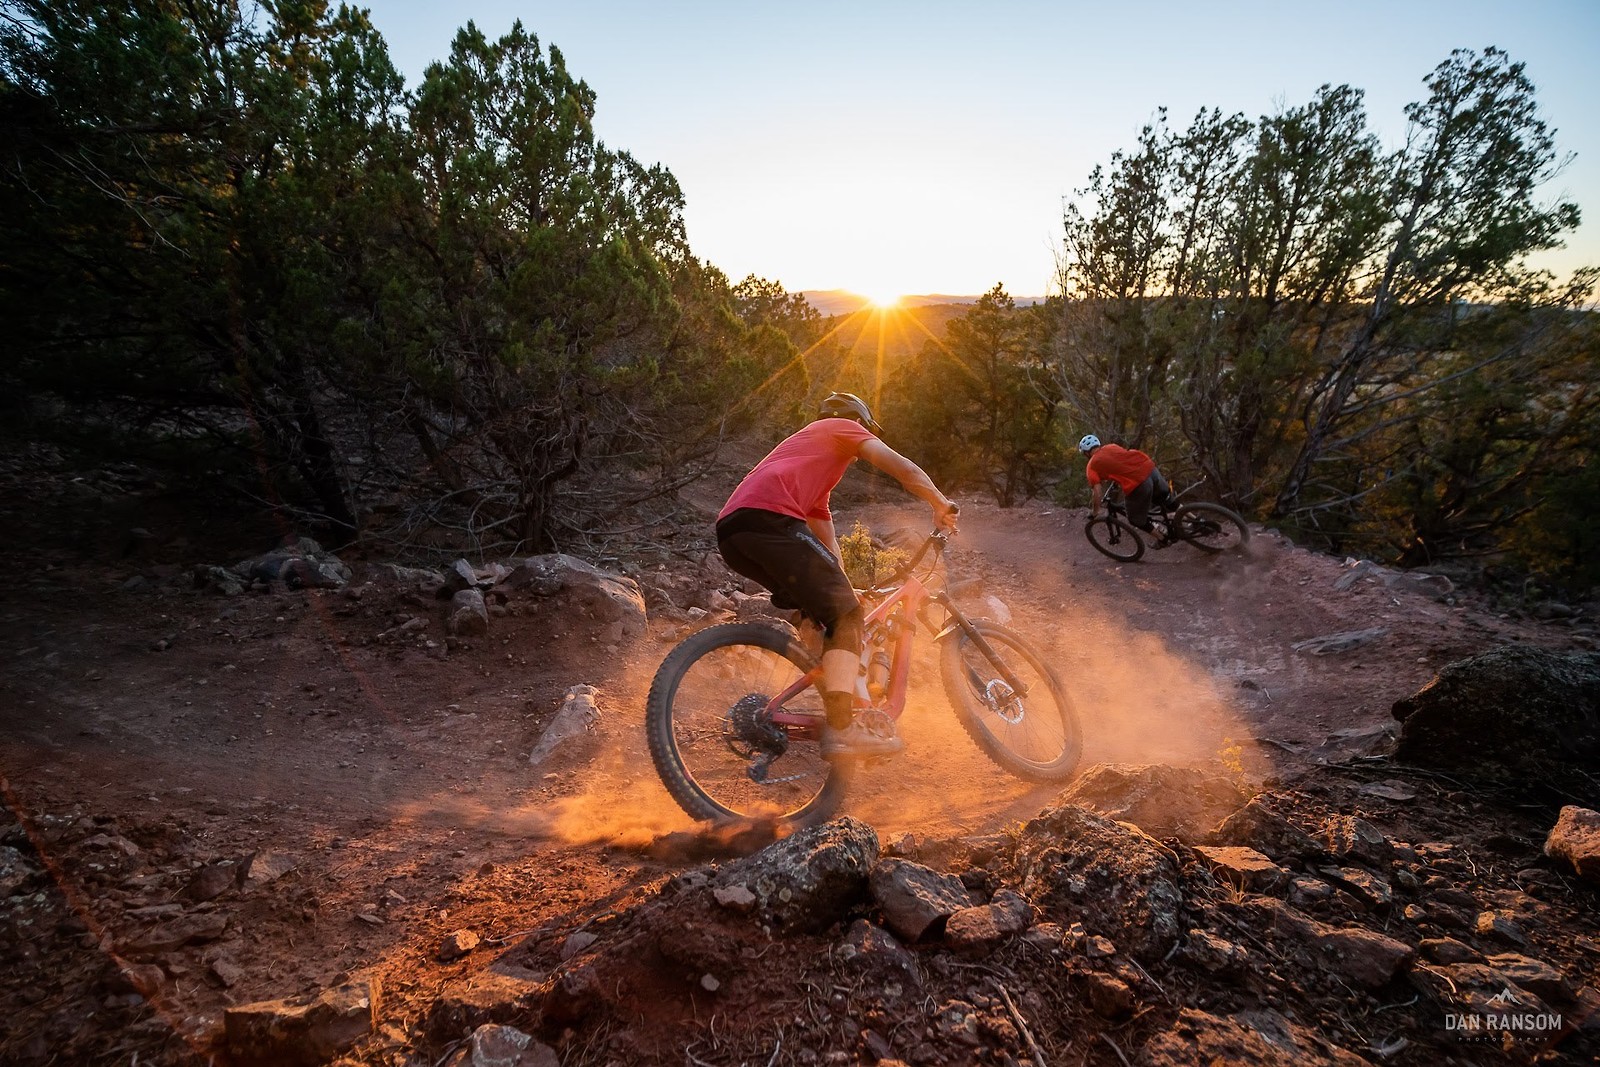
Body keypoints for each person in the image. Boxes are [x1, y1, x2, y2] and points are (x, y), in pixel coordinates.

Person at [716, 393, 959, 759]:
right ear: (859, 423)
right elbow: (903, 469)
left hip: (734, 533)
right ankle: (843, 727)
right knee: (846, 616)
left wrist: (844, 588)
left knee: (830, 614)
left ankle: (831, 688)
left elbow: (826, 544)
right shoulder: (840, 427)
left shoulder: (809, 468)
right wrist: (940, 502)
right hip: (769, 521)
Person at [1078, 434, 1174, 534]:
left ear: (1086, 453)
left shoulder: (1091, 466)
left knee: (1135, 519)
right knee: (1169, 501)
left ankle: (1163, 539)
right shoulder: (1112, 446)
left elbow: (1097, 492)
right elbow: (1123, 463)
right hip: (1150, 469)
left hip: (1139, 483)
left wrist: (1095, 512)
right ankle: (1190, 521)